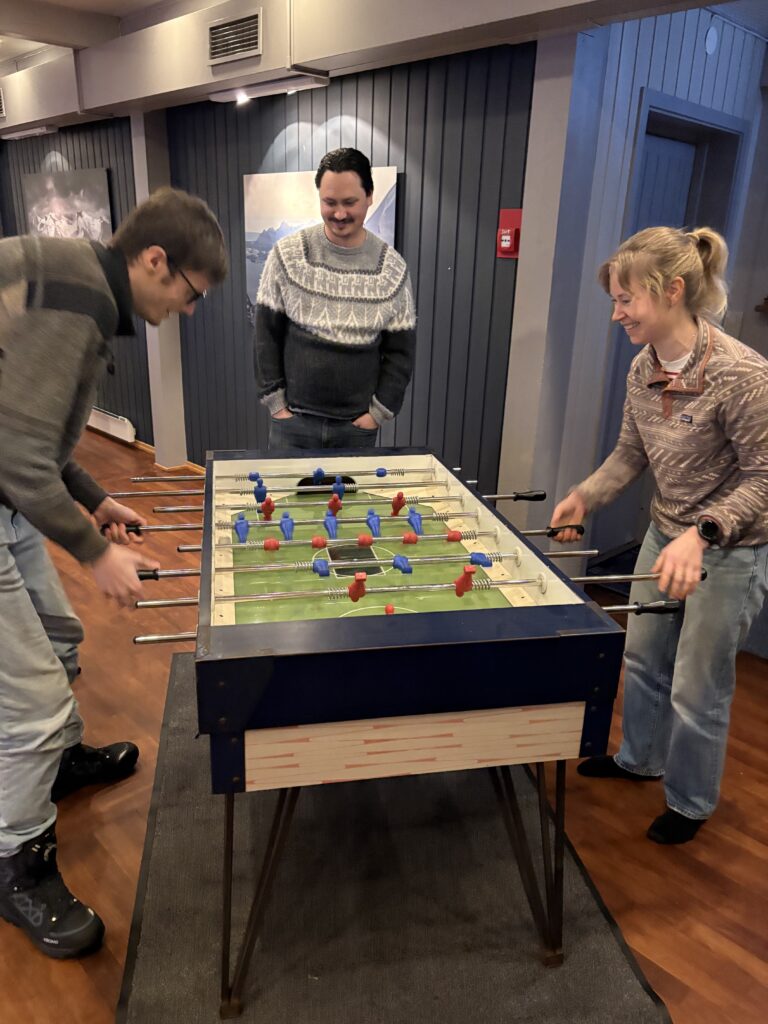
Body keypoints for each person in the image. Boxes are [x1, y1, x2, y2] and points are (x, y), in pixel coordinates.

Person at [0, 187, 228, 957]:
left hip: (6, 491)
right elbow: (19, 459)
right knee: (27, 701)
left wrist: (95, 502)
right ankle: (15, 862)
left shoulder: (82, 282)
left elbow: (31, 435)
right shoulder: (78, 298)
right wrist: (96, 554)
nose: (190, 310)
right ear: (154, 260)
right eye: (189, 293)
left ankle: (56, 764)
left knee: (59, 637)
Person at [550, 225, 768, 845]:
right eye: (615, 301)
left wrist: (700, 535)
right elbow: (629, 454)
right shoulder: (643, 367)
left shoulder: (743, 375)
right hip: (665, 534)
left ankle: (691, 801)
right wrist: (583, 497)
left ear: (672, 291)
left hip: (729, 551)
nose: (616, 314)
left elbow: (764, 479)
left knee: (699, 687)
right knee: (643, 659)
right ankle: (639, 759)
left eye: (626, 300)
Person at [254, 147, 416, 450]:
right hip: (293, 426)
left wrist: (378, 414)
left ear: (369, 196)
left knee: (353, 500)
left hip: (356, 430)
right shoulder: (286, 256)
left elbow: (401, 354)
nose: (339, 214)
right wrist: (277, 406)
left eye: (349, 202)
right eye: (329, 202)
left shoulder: (393, 268)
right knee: (286, 499)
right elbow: (265, 336)